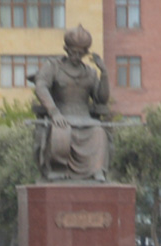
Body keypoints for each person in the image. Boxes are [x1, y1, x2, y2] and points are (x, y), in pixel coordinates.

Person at [32, 24, 112, 182]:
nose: (76, 56)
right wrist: (54, 112)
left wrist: (104, 74)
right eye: (73, 52)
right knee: (61, 131)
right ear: (66, 50)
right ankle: (58, 169)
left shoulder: (89, 72)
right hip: (61, 115)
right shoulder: (53, 67)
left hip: (85, 117)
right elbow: (41, 86)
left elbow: (101, 99)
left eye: (80, 53)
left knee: (98, 132)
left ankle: (96, 170)